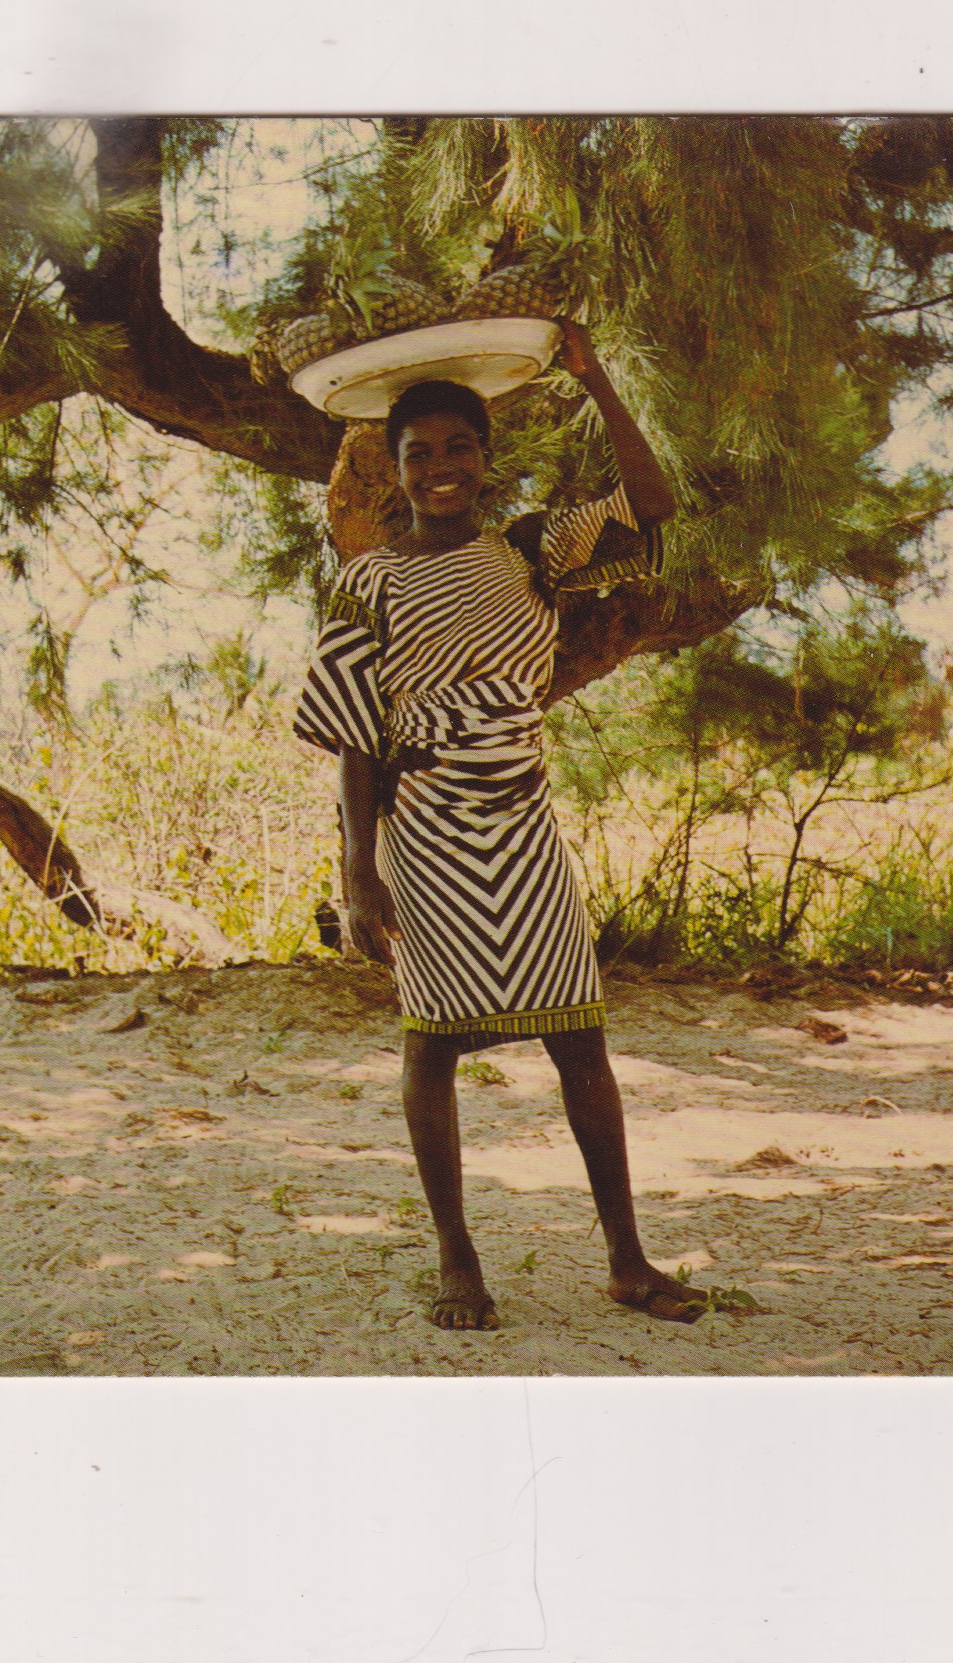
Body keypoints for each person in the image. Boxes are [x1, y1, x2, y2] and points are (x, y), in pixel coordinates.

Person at [292, 319, 707, 1330]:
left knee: (580, 1035)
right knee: (432, 1043)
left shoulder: (530, 550)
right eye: (418, 452)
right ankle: (458, 1260)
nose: (440, 466)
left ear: (486, 457)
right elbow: (355, 735)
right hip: (426, 830)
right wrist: (358, 869)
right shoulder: (368, 579)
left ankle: (627, 1258)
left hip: (523, 823)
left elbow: (652, 502)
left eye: (458, 447)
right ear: (394, 469)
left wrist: (596, 379)